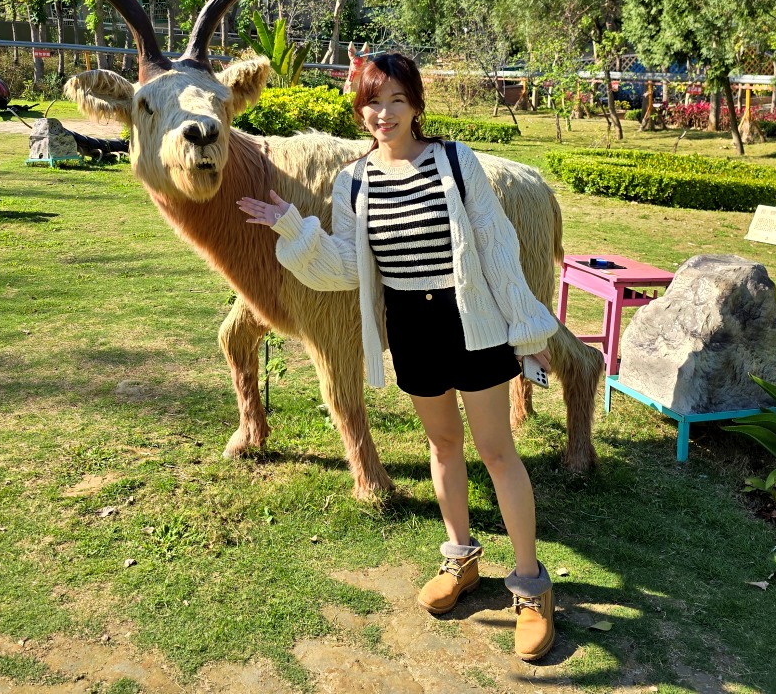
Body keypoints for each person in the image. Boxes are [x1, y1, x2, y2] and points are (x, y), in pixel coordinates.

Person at [237, 52, 559, 661]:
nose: (382, 114)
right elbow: (343, 268)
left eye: (395, 102)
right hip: (411, 325)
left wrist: (527, 328)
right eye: (371, 103)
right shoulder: (353, 181)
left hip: (473, 320)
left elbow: (495, 246)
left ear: (415, 105)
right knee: (442, 446)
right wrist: (292, 226)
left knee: (496, 450)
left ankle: (529, 585)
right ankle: (460, 558)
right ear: (359, 111)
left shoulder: (456, 162)